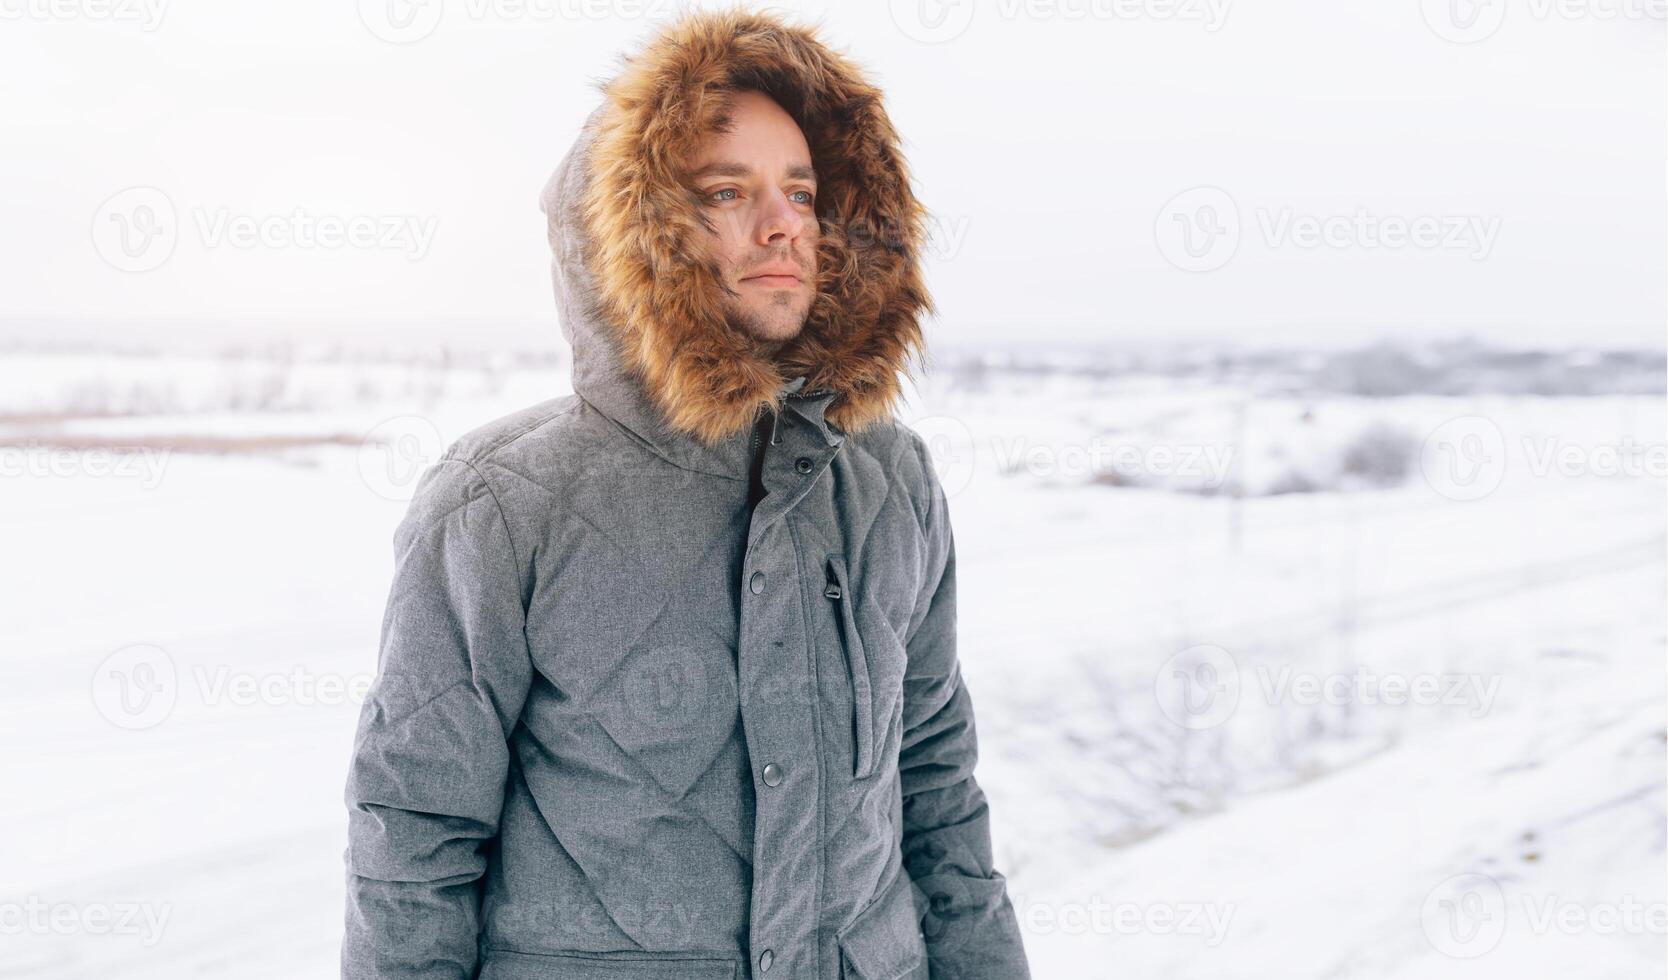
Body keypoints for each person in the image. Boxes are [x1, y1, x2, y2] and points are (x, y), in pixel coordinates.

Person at [340, 9, 1031, 980]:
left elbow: (936, 784)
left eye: (801, 189)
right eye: (725, 190)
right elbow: (415, 837)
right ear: (634, 232)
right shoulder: (502, 501)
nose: (784, 220)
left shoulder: (889, 479)